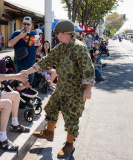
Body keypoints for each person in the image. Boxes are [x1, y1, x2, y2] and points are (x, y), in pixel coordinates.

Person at [20, 20, 95, 158]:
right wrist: (28, 71)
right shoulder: (60, 48)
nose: (56, 34)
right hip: (61, 87)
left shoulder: (79, 48)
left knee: (72, 118)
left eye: (57, 32)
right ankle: (49, 132)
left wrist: (88, 88)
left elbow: (88, 68)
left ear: (65, 33)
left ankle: (69, 144)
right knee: (51, 108)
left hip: (76, 91)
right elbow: (45, 61)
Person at [8, 16, 42, 84]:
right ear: (22, 24)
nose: (26, 26)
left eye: (28, 24)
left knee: (29, 83)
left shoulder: (34, 34)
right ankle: (20, 94)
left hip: (31, 64)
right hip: (20, 63)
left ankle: (28, 93)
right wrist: (19, 36)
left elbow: (39, 48)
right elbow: (9, 44)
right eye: (24, 24)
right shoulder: (16, 33)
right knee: (20, 83)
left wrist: (39, 45)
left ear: (31, 25)